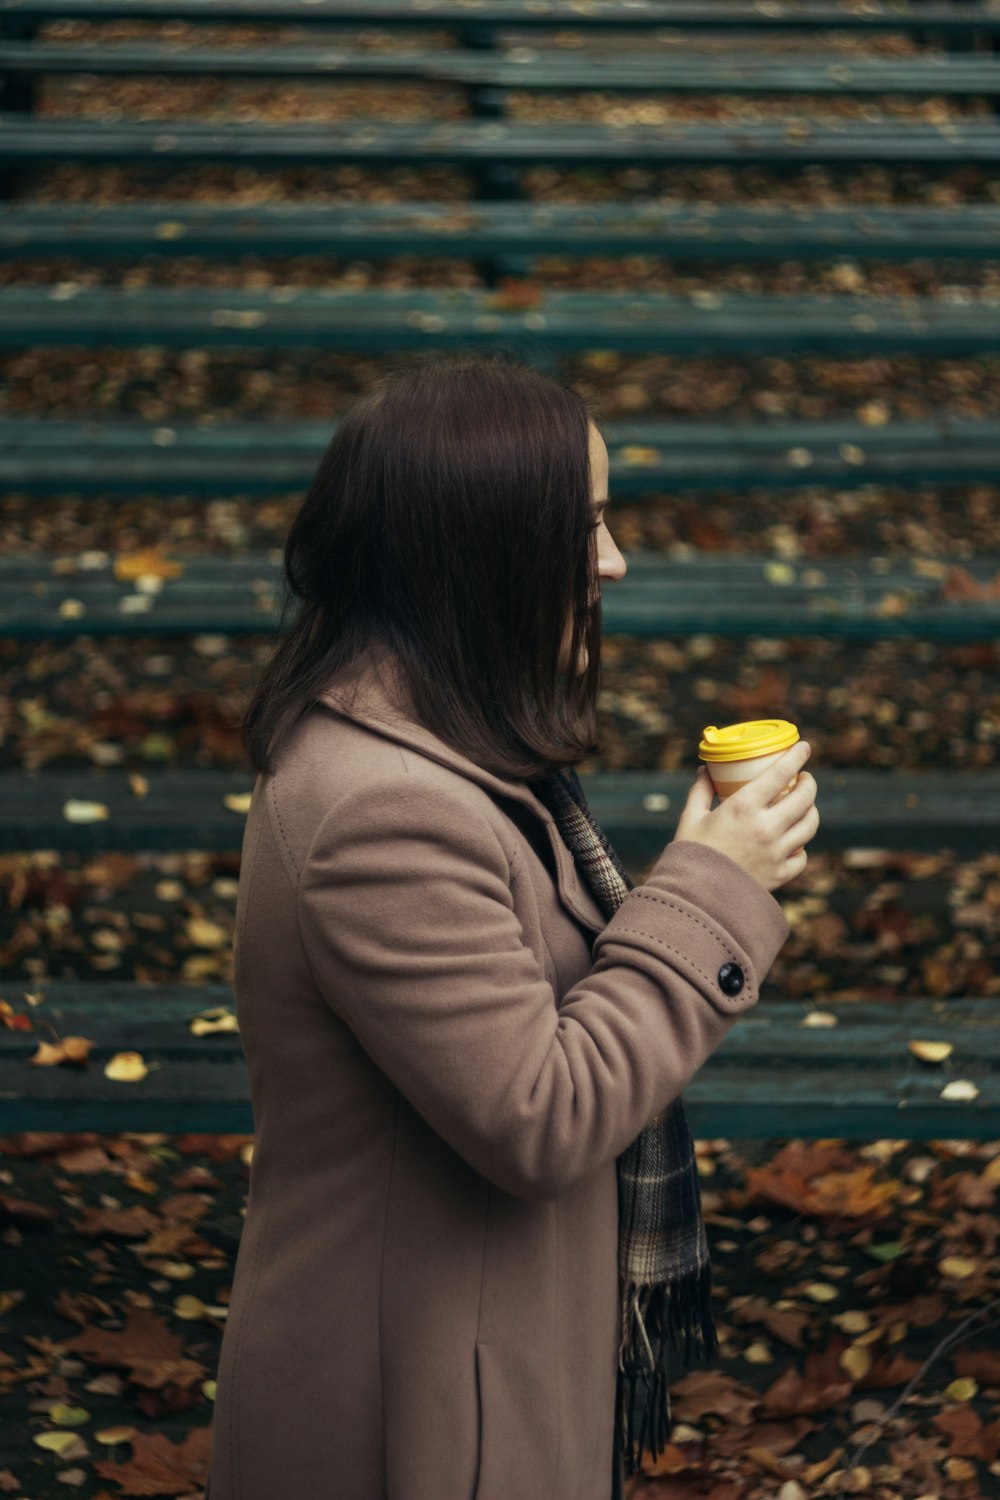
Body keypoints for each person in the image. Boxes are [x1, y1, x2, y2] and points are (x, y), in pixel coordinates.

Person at [204, 352, 819, 1500]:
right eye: (583, 523)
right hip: (417, 1408)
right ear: (479, 550)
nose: (613, 559)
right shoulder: (384, 812)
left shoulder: (451, 751)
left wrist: (712, 874)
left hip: (484, 1354)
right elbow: (539, 1116)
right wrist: (709, 885)